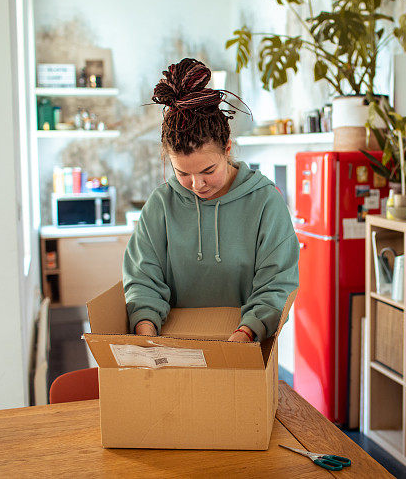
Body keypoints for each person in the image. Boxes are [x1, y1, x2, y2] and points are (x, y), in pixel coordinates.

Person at [123, 58, 299, 342]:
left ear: (227, 149)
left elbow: (277, 284)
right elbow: (143, 280)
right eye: (182, 173)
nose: (197, 184)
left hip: (245, 349)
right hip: (172, 354)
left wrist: (245, 334)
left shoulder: (266, 202)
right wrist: (147, 338)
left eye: (208, 170)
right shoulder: (160, 205)